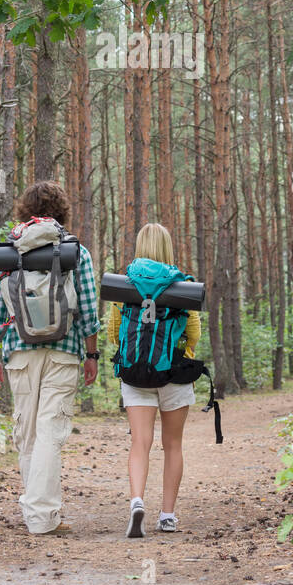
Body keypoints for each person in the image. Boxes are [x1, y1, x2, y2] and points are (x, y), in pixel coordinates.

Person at [0, 181, 101, 536]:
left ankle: (38, 514)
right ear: (62, 211)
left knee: (28, 433)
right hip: (64, 351)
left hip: (19, 352)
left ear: (24, 209)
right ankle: (41, 516)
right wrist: (91, 354)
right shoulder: (74, 252)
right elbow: (88, 309)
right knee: (51, 431)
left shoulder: (9, 250)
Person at [106, 222, 201, 538]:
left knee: (140, 443)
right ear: (167, 247)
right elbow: (194, 333)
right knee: (172, 444)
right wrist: (178, 349)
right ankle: (168, 515)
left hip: (135, 376)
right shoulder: (181, 285)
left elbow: (112, 333)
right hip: (173, 374)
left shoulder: (124, 285)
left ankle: (136, 502)